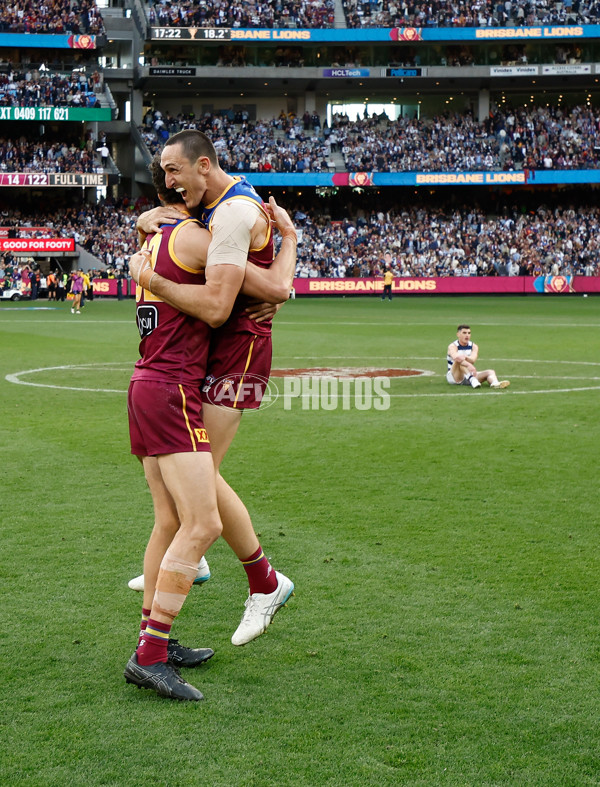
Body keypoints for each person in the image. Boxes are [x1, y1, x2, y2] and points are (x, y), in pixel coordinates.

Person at [128, 138, 296, 654]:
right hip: (212, 352)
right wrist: (148, 220)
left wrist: (289, 243)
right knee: (186, 485)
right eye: (165, 176)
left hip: (238, 353)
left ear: (204, 166)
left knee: (201, 476)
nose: (170, 182)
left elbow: (274, 289)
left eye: (174, 171)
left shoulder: (233, 213)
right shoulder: (211, 210)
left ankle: (263, 580)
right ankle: (206, 561)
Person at [446, 325, 510, 389]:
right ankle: (472, 379)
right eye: (464, 333)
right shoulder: (453, 346)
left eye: (469, 333)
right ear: (458, 334)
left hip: (468, 374)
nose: (467, 335)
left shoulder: (474, 346)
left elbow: (473, 359)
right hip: (454, 377)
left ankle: (495, 384)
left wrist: (465, 357)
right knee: (459, 360)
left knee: (490, 372)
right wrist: (468, 365)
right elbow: (457, 358)